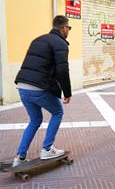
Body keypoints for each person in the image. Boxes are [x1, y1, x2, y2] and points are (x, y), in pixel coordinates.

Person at [13, 15, 72, 167]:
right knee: (58, 112)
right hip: (38, 88)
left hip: (22, 85)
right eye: (69, 28)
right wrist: (67, 93)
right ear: (64, 28)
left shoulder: (37, 39)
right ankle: (47, 149)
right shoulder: (60, 43)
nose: (69, 31)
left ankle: (20, 157)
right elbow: (62, 69)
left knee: (35, 120)